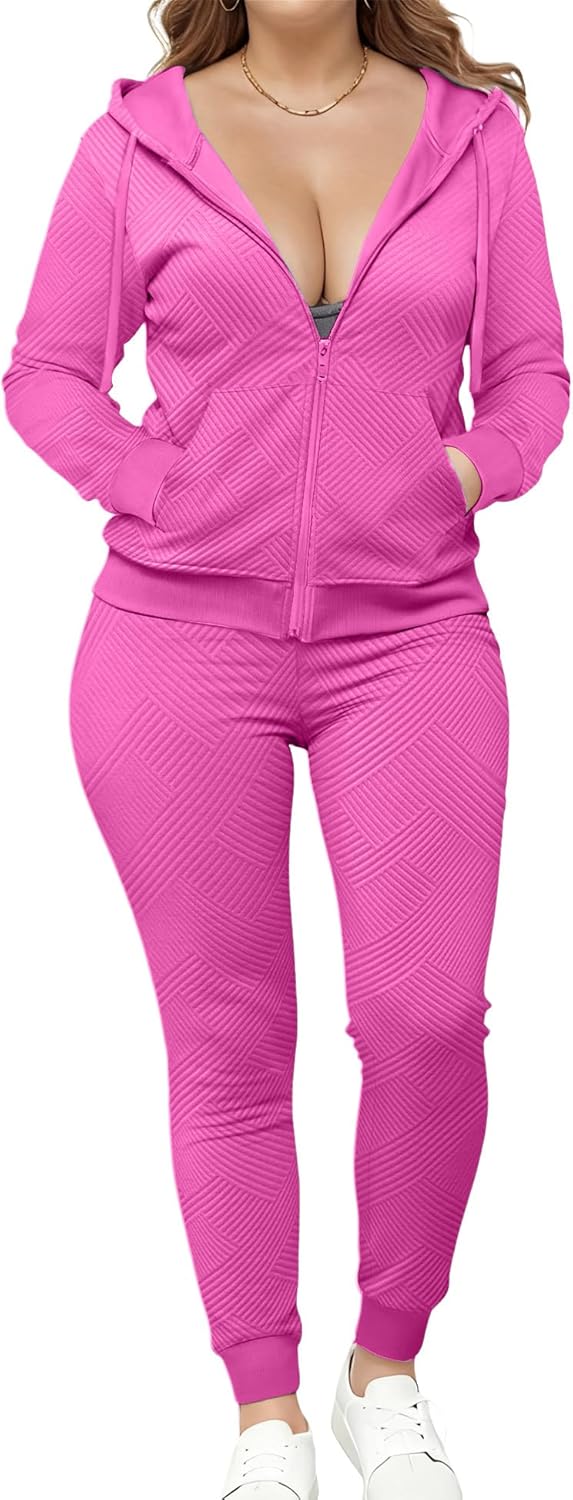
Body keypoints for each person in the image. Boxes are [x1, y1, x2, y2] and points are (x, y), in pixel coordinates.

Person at [2, 0, 569, 1495]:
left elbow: (532, 378)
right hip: (176, 643)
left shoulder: (474, 142)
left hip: (413, 636)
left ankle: (384, 1375)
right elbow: (46, 372)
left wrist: (458, 471)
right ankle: (265, 1417)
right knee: (230, 1039)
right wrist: (159, 486)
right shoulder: (135, 144)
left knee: (427, 1017)